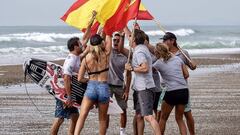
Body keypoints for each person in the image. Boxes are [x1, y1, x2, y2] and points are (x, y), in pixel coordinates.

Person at [50, 12, 95, 135]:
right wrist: (68, 97)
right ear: (75, 47)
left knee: (75, 117)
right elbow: (66, 78)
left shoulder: (77, 56)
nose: (82, 44)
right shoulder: (70, 60)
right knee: (59, 118)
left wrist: (92, 19)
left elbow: (86, 37)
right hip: (65, 94)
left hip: (72, 93)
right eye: (80, 44)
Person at [74, 33, 112, 135]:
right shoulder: (106, 54)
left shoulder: (86, 59)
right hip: (103, 87)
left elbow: (80, 78)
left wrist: (89, 80)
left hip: (91, 87)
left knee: (82, 116)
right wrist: (108, 28)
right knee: (103, 120)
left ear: (90, 44)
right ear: (102, 43)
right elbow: (109, 36)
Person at [125, 29, 161, 135]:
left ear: (135, 39)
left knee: (148, 116)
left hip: (144, 88)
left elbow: (145, 68)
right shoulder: (142, 48)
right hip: (142, 87)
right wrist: (124, 27)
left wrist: (131, 69)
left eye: (130, 36)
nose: (129, 38)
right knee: (141, 115)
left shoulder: (139, 51)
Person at [161, 32, 197, 135]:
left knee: (187, 114)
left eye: (165, 40)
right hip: (166, 88)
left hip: (181, 88)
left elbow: (192, 67)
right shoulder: (163, 53)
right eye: (162, 40)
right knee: (162, 115)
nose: (163, 42)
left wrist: (193, 65)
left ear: (172, 41)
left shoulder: (183, 53)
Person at [153, 43, 189, 135]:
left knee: (163, 118)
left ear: (158, 52)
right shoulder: (178, 59)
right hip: (184, 90)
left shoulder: (158, 63)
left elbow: (148, 71)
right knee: (180, 119)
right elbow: (186, 74)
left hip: (172, 91)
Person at [107, 33, 131, 135]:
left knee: (123, 110)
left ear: (121, 41)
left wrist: (127, 90)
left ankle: (122, 132)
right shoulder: (109, 52)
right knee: (106, 109)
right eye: (114, 40)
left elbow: (129, 75)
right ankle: (106, 130)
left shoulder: (126, 55)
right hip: (107, 85)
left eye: (118, 40)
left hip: (120, 85)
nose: (116, 42)